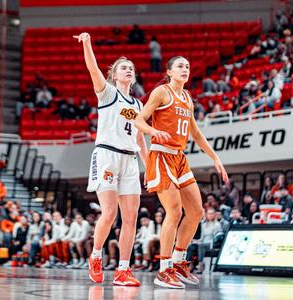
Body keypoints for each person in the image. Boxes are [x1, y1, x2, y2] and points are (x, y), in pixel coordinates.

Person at [135, 56, 228, 289]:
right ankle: (163, 270)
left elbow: (195, 133)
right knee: (174, 211)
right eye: (180, 66)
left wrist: (216, 158)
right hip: (160, 155)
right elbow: (138, 120)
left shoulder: (187, 98)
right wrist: (154, 131)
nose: (185, 69)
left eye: (187, 66)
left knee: (196, 211)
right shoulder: (161, 92)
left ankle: (178, 262)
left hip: (179, 157)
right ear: (169, 71)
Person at [74, 32, 148, 287]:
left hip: (130, 160)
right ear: (114, 75)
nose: (128, 70)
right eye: (123, 68)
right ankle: (96, 256)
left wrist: (149, 167)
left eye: (131, 68)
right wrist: (87, 43)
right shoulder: (107, 94)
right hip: (106, 155)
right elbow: (92, 68)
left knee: (131, 218)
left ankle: (122, 270)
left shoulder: (139, 105)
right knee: (109, 213)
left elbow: (140, 140)